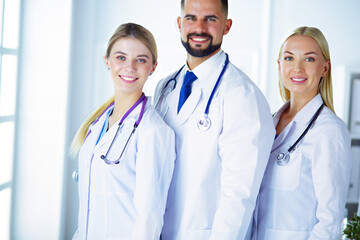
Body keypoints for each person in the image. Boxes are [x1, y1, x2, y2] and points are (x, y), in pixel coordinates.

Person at [153, 0, 275, 239]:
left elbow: (239, 194)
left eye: (210, 19)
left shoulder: (242, 95)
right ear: (179, 24)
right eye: (191, 18)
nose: (199, 28)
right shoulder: (164, 87)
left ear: (226, 26)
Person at [71, 23, 175, 240]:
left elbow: (149, 219)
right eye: (121, 57)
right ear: (107, 61)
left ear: (153, 67)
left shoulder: (153, 132)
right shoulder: (97, 124)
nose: (129, 67)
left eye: (141, 59)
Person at [252, 26, 352, 239]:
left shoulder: (329, 130)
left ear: (325, 68)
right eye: (289, 58)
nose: (297, 68)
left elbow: (329, 221)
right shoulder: (266, 124)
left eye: (309, 59)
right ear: (279, 65)